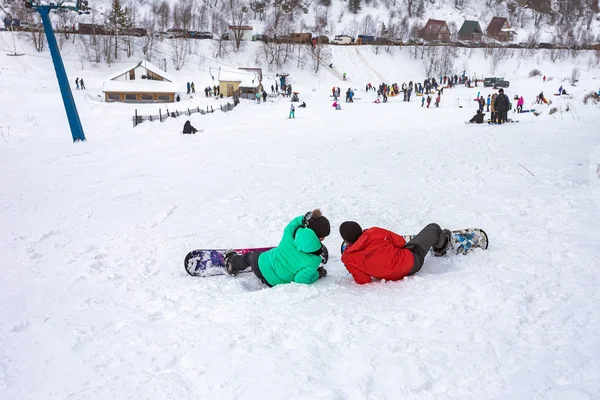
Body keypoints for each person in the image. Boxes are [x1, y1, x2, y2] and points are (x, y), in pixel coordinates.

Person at [224, 210, 330, 286]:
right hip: (274, 282)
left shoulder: (291, 231)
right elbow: (300, 280)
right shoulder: (315, 260)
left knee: (250, 257)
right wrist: (316, 274)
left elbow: (295, 222)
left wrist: (304, 219)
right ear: (320, 238)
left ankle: (232, 263)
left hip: (262, 263)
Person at [339, 221, 452, 285]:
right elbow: (401, 242)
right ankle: (442, 245)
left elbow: (363, 280)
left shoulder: (348, 258)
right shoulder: (375, 232)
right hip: (412, 261)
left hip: (392, 276)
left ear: (346, 240)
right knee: (433, 227)